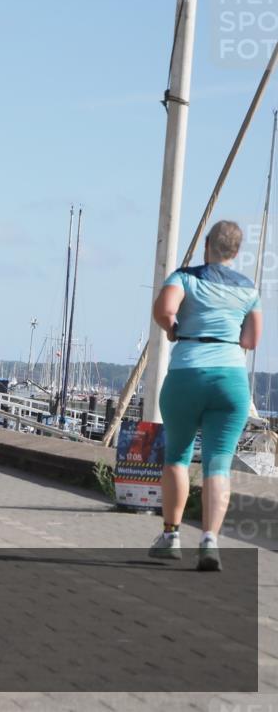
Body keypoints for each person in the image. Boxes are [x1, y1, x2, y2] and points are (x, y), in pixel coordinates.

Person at [148, 220, 262, 571]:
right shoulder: (249, 289)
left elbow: (164, 310)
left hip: (187, 373)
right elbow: (251, 340)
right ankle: (210, 541)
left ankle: (171, 536)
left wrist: (174, 329)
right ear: (237, 252)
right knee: (218, 463)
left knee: (178, 457)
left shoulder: (185, 277)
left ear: (207, 244)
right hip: (230, 380)